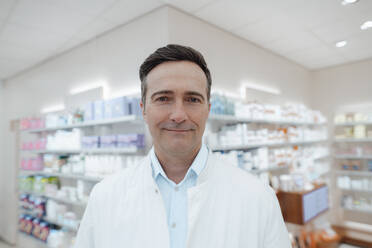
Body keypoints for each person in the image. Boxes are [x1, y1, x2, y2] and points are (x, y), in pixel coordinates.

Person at [74, 44, 291, 248]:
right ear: (144, 109)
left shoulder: (259, 198)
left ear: (208, 108)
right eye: (163, 98)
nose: (178, 115)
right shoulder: (104, 196)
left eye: (192, 99)